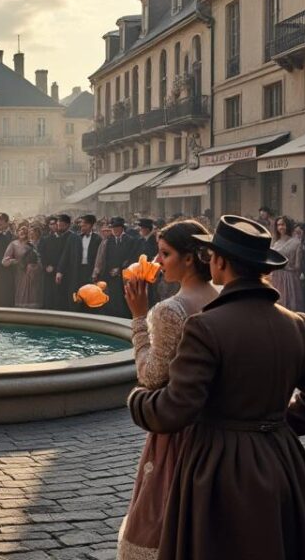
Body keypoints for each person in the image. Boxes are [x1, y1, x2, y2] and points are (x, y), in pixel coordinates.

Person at [128, 215, 305, 560]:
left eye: (213, 255)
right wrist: (274, 426)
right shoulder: (300, 325)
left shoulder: (205, 327)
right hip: (284, 463)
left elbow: (175, 408)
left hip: (217, 465)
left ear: (221, 262)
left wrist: (138, 401)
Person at [117, 219, 219, 559]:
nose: (157, 263)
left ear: (190, 258)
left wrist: (137, 317)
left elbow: (151, 376)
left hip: (178, 430)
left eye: (164, 254)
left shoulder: (169, 310)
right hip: (218, 427)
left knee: (166, 520)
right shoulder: (222, 299)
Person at [93, 217, 136, 317]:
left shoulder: (130, 240)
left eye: (117, 228)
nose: (115, 230)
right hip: (109, 276)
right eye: (113, 228)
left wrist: (120, 269)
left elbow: (131, 258)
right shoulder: (107, 241)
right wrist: (97, 272)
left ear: (122, 228)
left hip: (124, 276)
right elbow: (102, 259)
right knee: (111, 300)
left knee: (124, 299)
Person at [57, 214, 101, 307]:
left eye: (83, 224)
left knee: (89, 293)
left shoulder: (98, 239)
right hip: (76, 270)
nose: (81, 225)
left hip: (90, 271)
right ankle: (75, 313)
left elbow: (100, 257)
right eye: (81, 223)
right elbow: (66, 255)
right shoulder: (73, 238)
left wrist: (96, 272)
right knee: (75, 293)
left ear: (90, 225)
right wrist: (60, 271)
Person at [2, 225, 42, 309]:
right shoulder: (13, 244)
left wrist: (34, 267)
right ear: (17, 232)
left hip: (33, 276)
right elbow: (4, 261)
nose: (22, 232)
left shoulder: (31, 244)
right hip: (20, 274)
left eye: (25, 231)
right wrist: (13, 261)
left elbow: (39, 259)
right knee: (21, 298)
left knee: (33, 299)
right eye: (20, 230)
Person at [271, 215, 305, 311]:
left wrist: (286, 268)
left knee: (289, 306)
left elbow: (298, 266)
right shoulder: (274, 242)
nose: (280, 227)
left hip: (289, 278)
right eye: (278, 225)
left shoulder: (296, 243)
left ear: (288, 226)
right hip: (275, 277)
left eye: (283, 224)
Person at [38, 214, 71, 311]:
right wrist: (46, 266)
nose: (54, 226)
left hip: (64, 272)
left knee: (62, 297)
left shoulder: (68, 238)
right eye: (51, 224)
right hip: (49, 272)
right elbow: (41, 255)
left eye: (56, 223)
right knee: (49, 296)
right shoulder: (45, 239)